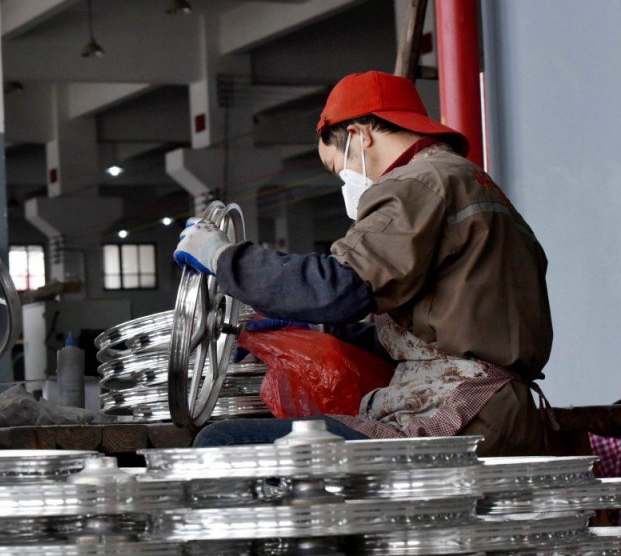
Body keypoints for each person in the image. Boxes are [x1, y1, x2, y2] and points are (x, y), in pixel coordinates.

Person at [174, 71, 552, 456]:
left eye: (338, 168)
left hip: (455, 411)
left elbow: (340, 286)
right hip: (499, 407)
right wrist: (318, 328)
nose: (345, 181)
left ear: (360, 135)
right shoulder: (472, 184)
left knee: (220, 444)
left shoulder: (417, 182)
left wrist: (221, 257)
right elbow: (438, 332)